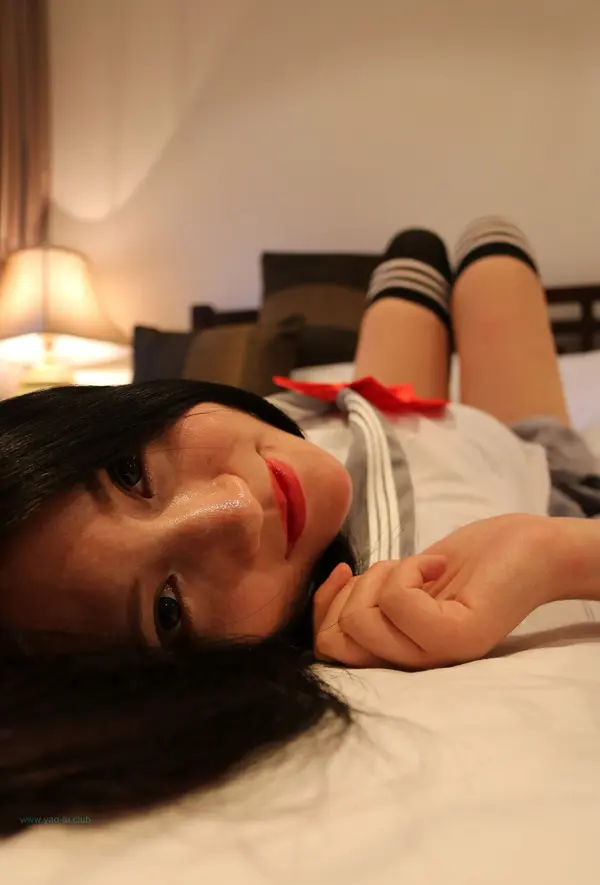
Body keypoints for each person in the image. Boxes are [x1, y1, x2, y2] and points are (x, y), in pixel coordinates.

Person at [1, 216, 599, 835]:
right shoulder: (410, 594)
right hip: (523, 449)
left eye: (130, 474)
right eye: (168, 611)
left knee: (414, 250)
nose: (234, 509)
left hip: (354, 404)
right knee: (495, 256)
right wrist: (558, 551)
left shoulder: (264, 424)